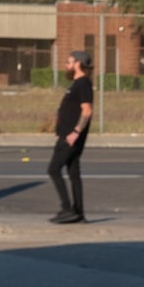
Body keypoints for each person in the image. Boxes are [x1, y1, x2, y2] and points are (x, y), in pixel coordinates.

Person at [48, 50, 93, 224]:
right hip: (68, 135)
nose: (66, 65)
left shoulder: (82, 84)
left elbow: (87, 110)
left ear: (78, 64)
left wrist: (75, 132)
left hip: (70, 137)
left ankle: (67, 209)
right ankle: (78, 212)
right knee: (73, 172)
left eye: (69, 62)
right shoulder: (77, 84)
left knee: (53, 169)